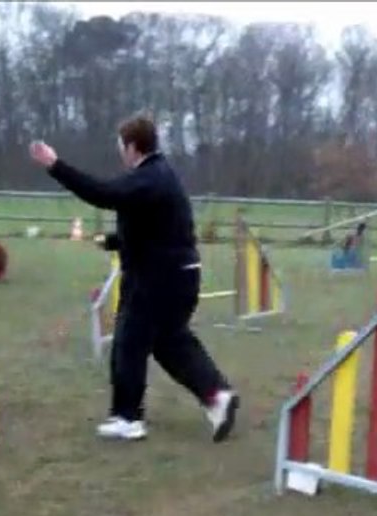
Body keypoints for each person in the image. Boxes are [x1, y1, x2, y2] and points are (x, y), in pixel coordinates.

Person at [29, 114, 239, 443]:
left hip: (158, 278)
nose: (120, 154)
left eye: (121, 147)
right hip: (180, 274)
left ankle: (128, 418)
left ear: (132, 146)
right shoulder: (160, 176)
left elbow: (103, 193)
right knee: (170, 343)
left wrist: (55, 165)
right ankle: (217, 396)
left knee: (129, 341)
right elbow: (156, 227)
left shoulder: (148, 177)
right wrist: (114, 241)